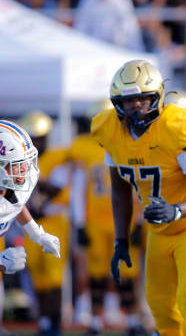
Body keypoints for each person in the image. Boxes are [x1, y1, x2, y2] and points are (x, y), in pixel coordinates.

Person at [91, 60, 186, 336]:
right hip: (160, 230)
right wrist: (121, 239)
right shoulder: (110, 130)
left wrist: (176, 210)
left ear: (158, 97)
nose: (136, 106)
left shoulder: (176, 127)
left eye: (143, 98)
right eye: (129, 101)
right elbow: (119, 190)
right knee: (164, 318)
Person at [69, 100, 144, 335]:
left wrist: (139, 221)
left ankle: (132, 320)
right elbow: (78, 188)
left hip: (125, 219)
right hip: (96, 221)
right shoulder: (84, 147)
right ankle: (94, 320)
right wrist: (80, 223)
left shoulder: (130, 143)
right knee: (96, 275)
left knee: (128, 275)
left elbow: (141, 185)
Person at [0, 119, 61, 332]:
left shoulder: (5, 188)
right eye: (17, 164)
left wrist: (37, 233)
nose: (25, 169)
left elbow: (14, 203)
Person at [19, 111, 70, 336]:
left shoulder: (58, 158)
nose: (37, 143)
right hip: (32, 224)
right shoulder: (22, 161)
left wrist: (33, 174)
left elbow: (57, 189)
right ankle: (44, 322)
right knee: (37, 273)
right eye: (33, 139)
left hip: (53, 221)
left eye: (40, 138)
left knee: (53, 275)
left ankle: (55, 321)